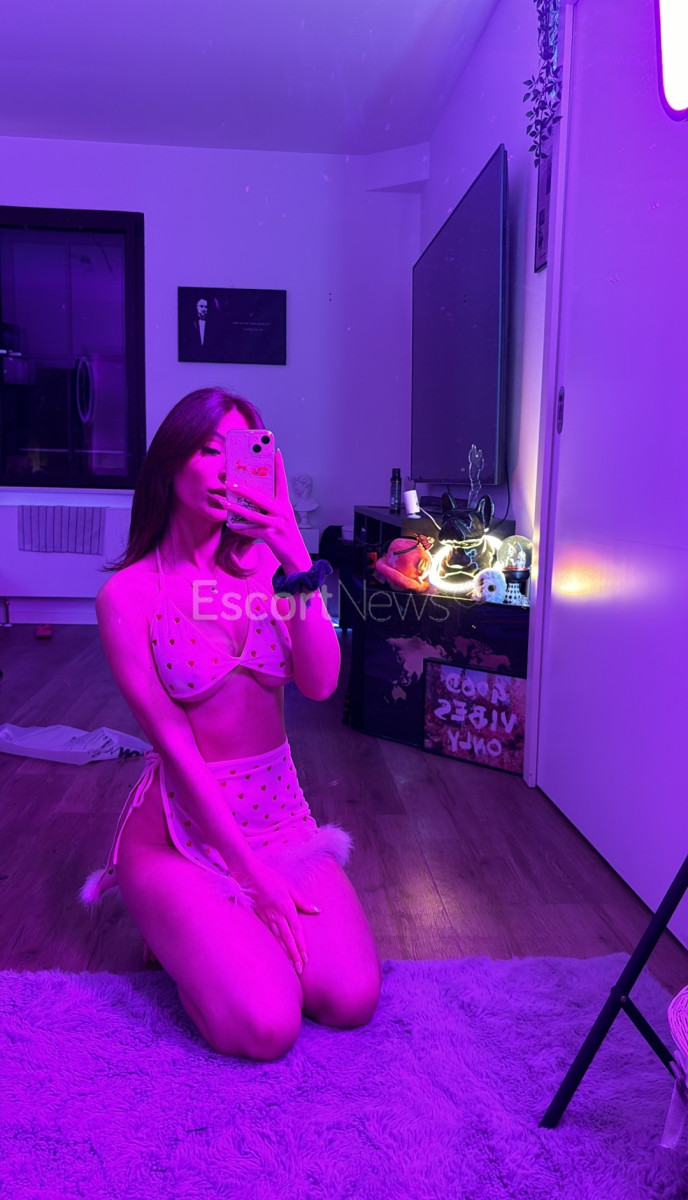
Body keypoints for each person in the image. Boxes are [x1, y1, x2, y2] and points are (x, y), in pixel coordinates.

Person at [79, 386, 382, 1061]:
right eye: (208, 450)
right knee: (267, 1026)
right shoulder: (128, 595)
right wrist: (249, 875)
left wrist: (295, 555)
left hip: (280, 815)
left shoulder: (272, 569)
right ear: (170, 464)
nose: (225, 468)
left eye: (241, 451)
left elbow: (320, 683)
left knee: (352, 998)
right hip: (181, 832)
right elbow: (175, 747)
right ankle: (175, 927)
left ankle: (225, 936)